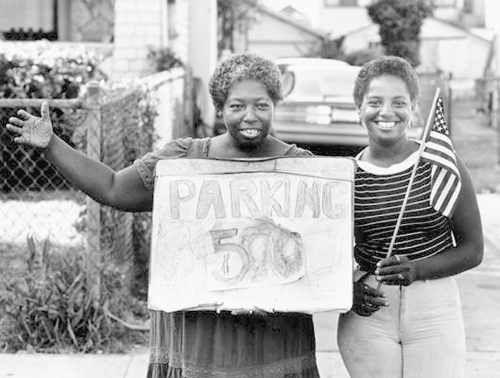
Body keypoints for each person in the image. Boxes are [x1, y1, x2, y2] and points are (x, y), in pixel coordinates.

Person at [6, 53, 319, 377]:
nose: (249, 116)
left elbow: (326, 251)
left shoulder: (304, 169)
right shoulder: (182, 162)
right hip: (199, 332)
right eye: (237, 106)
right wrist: (52, 145)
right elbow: (113, 187)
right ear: (220, 107)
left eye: (261, 105)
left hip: (275, 335)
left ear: (275, 104)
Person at [337, 55, 484, 378]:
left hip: (435, 310)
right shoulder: (344, 176)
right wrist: (348, 288)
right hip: (368, 314)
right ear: (357, 108)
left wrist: (416, 269)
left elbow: (473, 249)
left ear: (414, 108)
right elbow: (323, 252)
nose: (386, 112)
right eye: (374, 101)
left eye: (399, 102)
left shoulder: (440, 165)